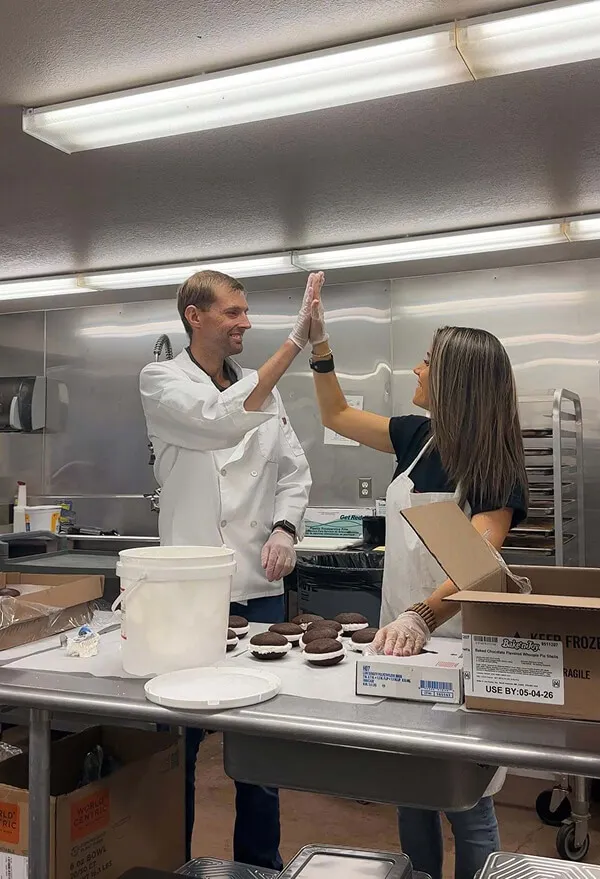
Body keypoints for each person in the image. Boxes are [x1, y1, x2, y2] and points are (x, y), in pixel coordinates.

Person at [308, 282, 528, 879]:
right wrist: (319, 344)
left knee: (466, 795)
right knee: (409, 782)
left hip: (457, 646)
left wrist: (423, 615)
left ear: (456, 377)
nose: (416, 367)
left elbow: (479, 562)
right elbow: (334, 413)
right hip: (399, 640)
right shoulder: (414, 436)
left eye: (427, 359)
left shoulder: (493, 462)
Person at [140, 269, 320, 868]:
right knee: (178, 755)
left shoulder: (267, 395)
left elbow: (294, 472)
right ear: (195, 315)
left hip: (259, 592)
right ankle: (173, 862)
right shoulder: (161, 380)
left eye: (247, 312)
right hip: (189, 598)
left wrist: (284, 528)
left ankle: (259, 867)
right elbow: (218, 422)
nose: (245, 322)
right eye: (234, 312)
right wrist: (295, 341)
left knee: (258, 756)